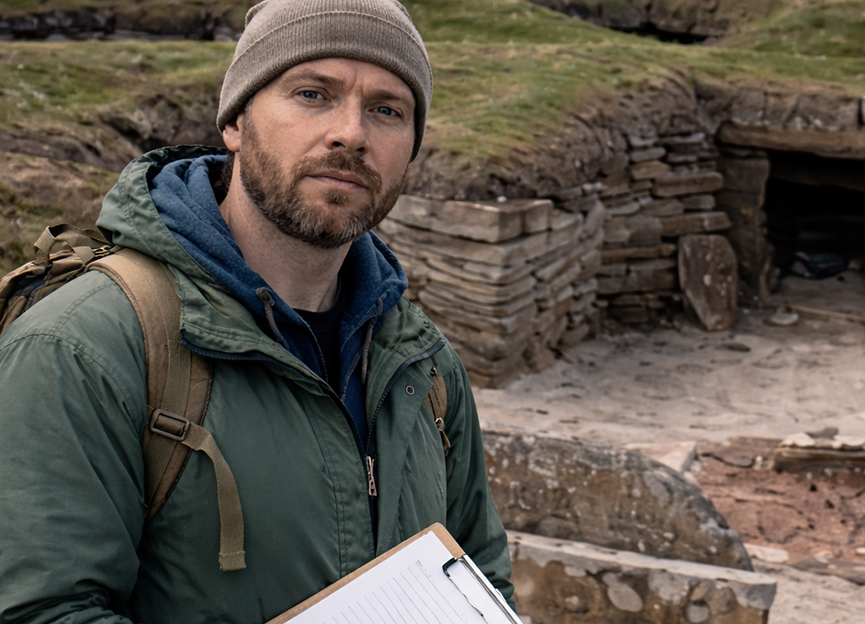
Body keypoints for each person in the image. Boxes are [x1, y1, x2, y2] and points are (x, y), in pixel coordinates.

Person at [0, 0, 514, 621]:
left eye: (387, 110)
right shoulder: (84, 346)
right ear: (236, 122)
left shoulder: (422, 363)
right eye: (312, 93)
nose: (351, 133)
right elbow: (41, 610)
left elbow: (477, 580)